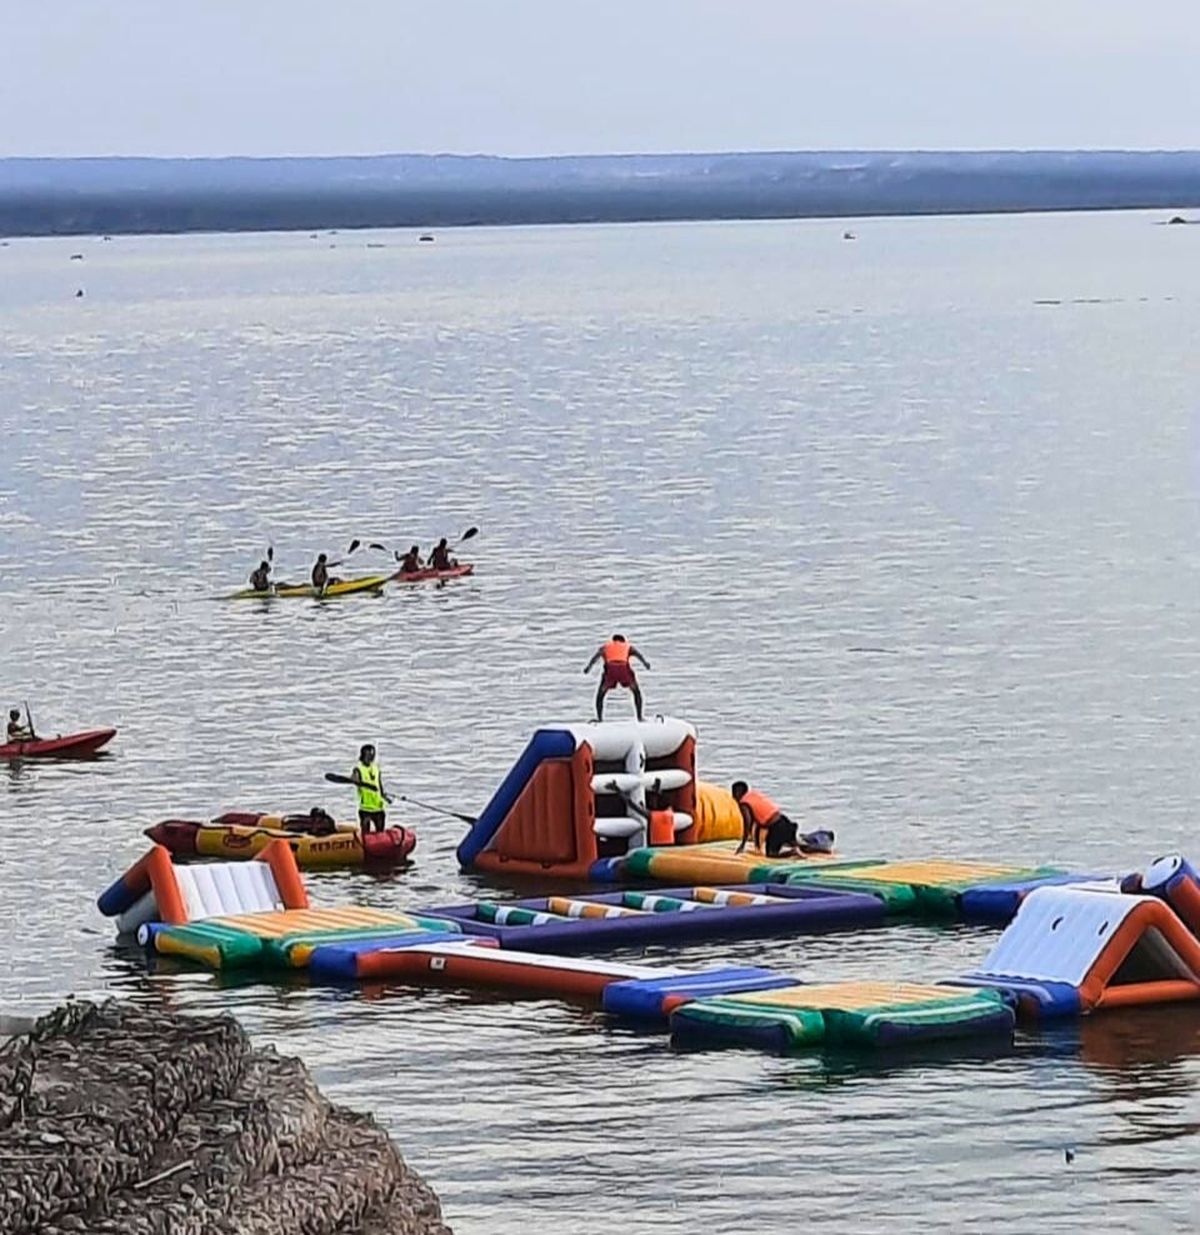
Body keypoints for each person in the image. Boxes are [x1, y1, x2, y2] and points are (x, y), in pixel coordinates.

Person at [732, 782, 834, 858]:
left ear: (738, 793)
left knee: (771, 855)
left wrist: (742, 845)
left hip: (777, 828)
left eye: (733, 794)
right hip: (785, 822)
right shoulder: (754, 795)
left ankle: (792, 852)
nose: (733, 797)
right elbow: (760, 824)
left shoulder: (744, 804)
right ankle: (819, 849)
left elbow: (748, 824)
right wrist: (758, 846)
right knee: (795, 844)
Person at [584, 634, 650, 721]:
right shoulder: (627, 646)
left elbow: (596, 657)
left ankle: (599, 719)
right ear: (623, 641)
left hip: (611, 670)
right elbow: (638, 655)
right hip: (623, 669)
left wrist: (588, 667)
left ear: (613, 640)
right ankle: (640, 717)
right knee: (636, 692)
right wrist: (645, 664)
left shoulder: (606, 647)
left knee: (600, 695)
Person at [351, 743, 392, 834]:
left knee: (380, 832)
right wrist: (357, 781)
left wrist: (384, 797)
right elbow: (355, 780)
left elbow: (379, 785)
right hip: (366, 808)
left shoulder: (376, 768)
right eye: (369, 754)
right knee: (366, 833)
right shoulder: (358, 769)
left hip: (378, 807)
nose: (371, 757)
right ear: (363, 755)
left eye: (373, 754)